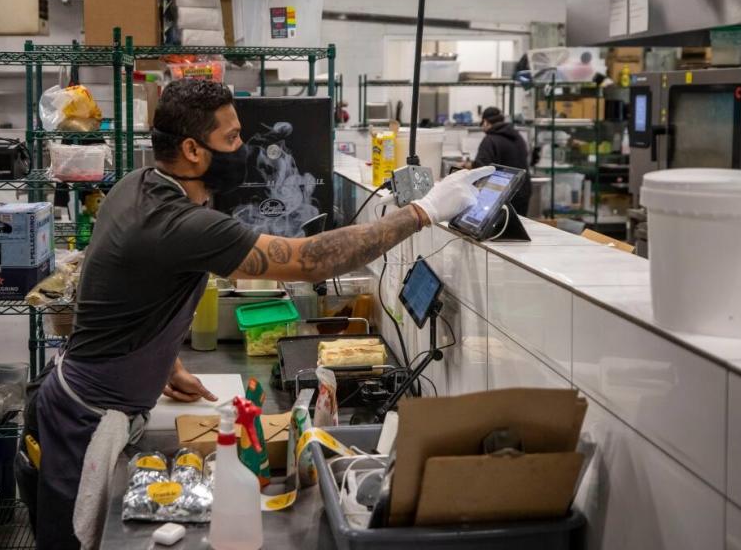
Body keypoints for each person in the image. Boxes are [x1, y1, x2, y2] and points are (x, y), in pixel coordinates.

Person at [25, 79, 493, 549]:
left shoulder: (138, 186)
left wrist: (162, 358)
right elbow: (314, 259)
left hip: (86, 398)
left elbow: (117, 292)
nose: (242, 148)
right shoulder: (180, 223)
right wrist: (423, 211)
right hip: (85, 422)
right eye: (230, 138)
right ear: (192, 149)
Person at [470, 106, 532, 216]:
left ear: (485, 122)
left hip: (501, 196)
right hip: (523, 192)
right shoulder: (518, 137)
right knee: (517, 228)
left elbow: (481, 168)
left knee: (499, 231)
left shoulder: (490, 140)